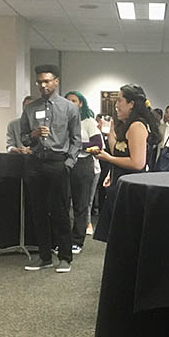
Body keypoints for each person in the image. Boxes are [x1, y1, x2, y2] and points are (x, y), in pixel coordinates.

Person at [20, 64, 81, 274]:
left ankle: (65, 257)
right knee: (37, 212)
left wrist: (69, 164)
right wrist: (34, 135)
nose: (43, 85)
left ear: (56, 81)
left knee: (60, 211)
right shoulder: (30, 108)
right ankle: (44, 256)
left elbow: (76, 140)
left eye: (47, 81)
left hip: (58, 163)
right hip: (36, 162)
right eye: (39, 82)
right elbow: (23, 137)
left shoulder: (69, 107)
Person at [92, 84, 160, 242]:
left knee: (127, 236)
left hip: (133, 188)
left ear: (131, 104)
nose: (116, 105)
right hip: (122, 183)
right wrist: (110, 133)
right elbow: (119, 150)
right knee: (119, 237)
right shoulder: (128, 125)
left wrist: (108, 159)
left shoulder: (137, 126)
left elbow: (137, 163)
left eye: (120, 101)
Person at [65, 90, 102, 254]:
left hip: (82, 163)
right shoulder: (61, 121)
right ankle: (62, 239)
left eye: (74, 100)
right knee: (63, 203)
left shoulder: (88, 122)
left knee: (81, 204)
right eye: (68, 101)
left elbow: (97, 144)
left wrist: (76, 145)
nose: (71, 103)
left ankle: (77, 240)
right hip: (64, 163)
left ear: (80, 103)